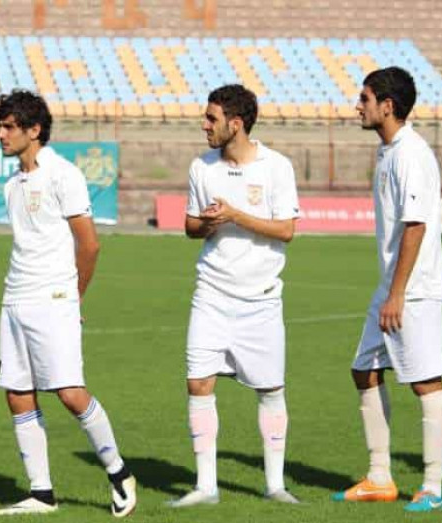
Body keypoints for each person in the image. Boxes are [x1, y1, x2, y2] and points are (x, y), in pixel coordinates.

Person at [0, 90, 136, 517]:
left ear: (34, 130)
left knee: (70, 393)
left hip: (53, 298)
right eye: (0, 126)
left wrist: (74, 298)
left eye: (8, 127)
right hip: (15, 296)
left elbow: (89, 245)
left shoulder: (63, 175)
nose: (0, 134)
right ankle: (41, 493)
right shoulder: (12, 183)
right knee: (17, 393)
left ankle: (119, 472)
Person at [169, 84, 300, 508]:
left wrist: (235, 215)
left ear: (236, 124)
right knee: (198, 382)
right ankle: (206, 487)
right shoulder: (202, 167)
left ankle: (275, 485)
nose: (204, 125)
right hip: (211, 293)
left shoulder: (276, 167)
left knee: (270, 388)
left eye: (211, 118)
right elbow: (191, 228)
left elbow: (286, 230)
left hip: (261, 298)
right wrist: (210, 222)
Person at [331, 67, 442, 513]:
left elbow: (415, 226)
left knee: (425, 381)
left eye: (364, 98)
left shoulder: (411, 154)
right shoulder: (389, 152)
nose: (357, 106)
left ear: (388, 105)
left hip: (413, 290)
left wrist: (397, 293)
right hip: (392, 287)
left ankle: (433, 487)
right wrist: (389, 290)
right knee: (364, 370)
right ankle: (380, 477)